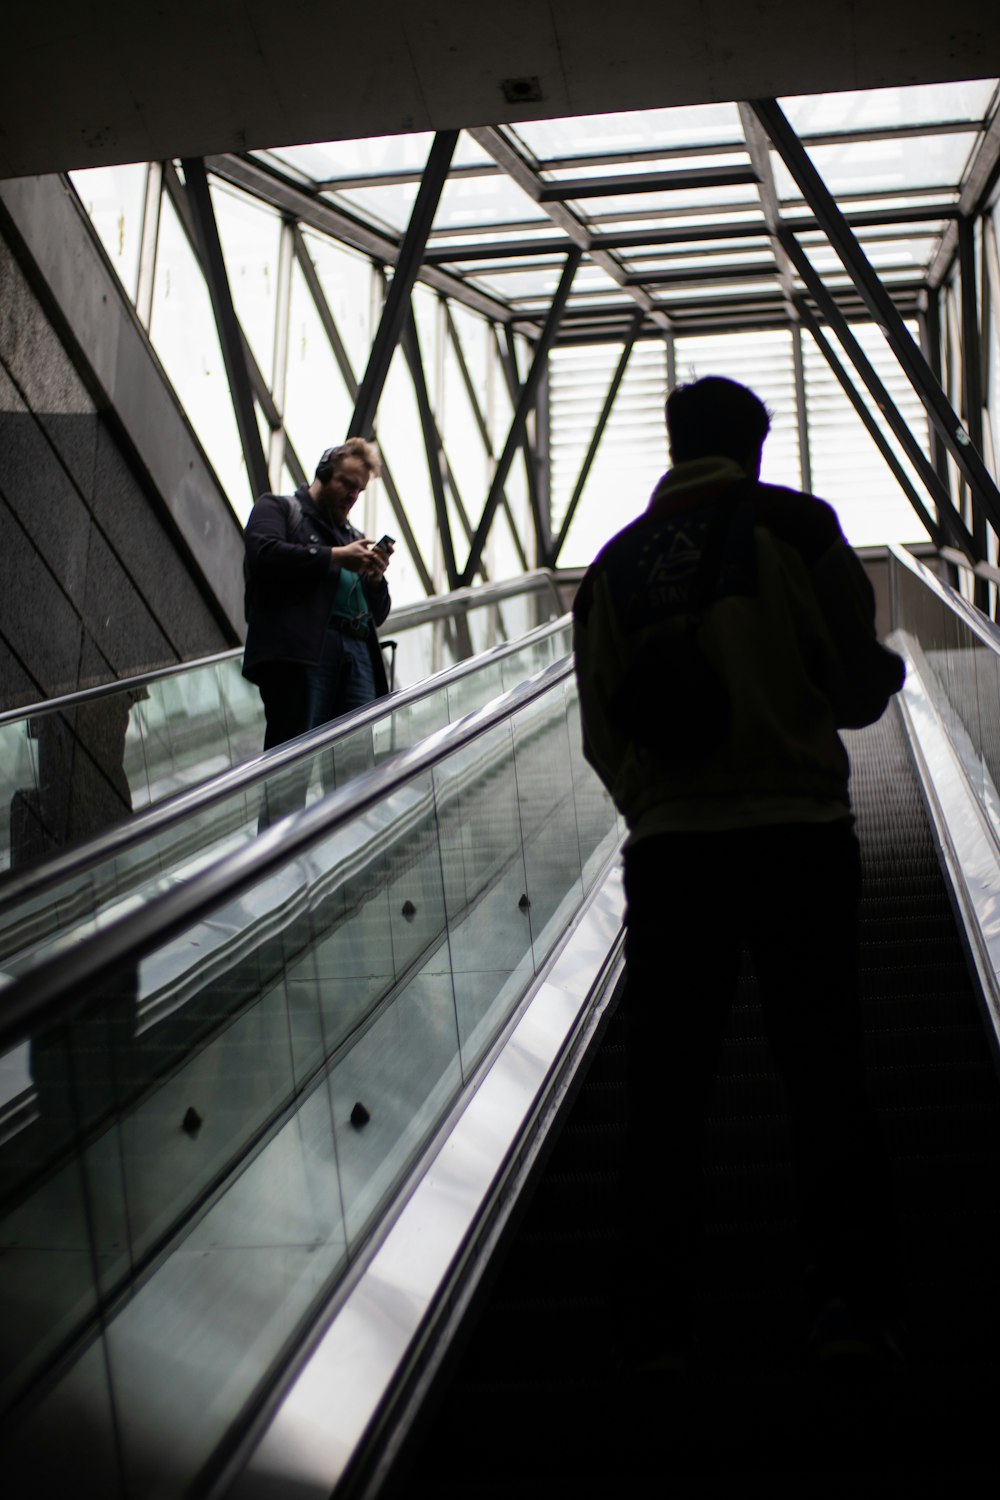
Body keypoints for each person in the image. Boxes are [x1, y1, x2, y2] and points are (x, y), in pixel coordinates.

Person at [572, 376, 905, 1374]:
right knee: (824, 1070)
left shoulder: (612, 568)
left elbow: (600, 730)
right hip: (797, 833)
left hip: (671, 853)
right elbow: (850, 681)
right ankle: (848, 1300)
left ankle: (651, 1314)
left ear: (673, 445)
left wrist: (655, 804)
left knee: (666, 1086)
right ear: (754, 446)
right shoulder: (796, 527)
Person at [243, 437, 392, 751]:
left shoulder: (354, 537)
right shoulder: (279, 508)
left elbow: (378, 614)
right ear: (323, 473)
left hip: (358, 654)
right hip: (304, 651)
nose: (352, 496)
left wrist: (375, 579)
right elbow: (264, 554)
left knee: (355, 766)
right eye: (347, 484)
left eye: (359, 490)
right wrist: (336, 557)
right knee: (293, 759)